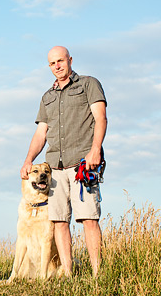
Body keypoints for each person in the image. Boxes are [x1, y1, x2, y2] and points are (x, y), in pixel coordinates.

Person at [20, 46, 107, 277]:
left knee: (89, 218)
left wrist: (95, 150)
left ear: (69, 60)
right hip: (54, 168)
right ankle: (68, 274)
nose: (57, 66)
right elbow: (41, 133)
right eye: (52, 63)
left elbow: (100, 118)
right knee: (59, 221)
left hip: (82, 164)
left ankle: (98, 274)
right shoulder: (47, 97)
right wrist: (29, 159)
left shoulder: (88, 84)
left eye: (60, 61)